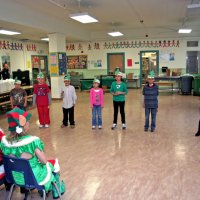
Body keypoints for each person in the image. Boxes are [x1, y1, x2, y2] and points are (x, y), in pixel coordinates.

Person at [0, 107, 65, 198]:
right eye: (27, 121)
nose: (29, 123)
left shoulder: (4, 143)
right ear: (23, 125)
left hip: (15, 177)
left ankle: (45, 189)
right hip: (33, 178)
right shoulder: (32, 142)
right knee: (53, 165)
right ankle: (56, 190)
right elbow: (44, 161)